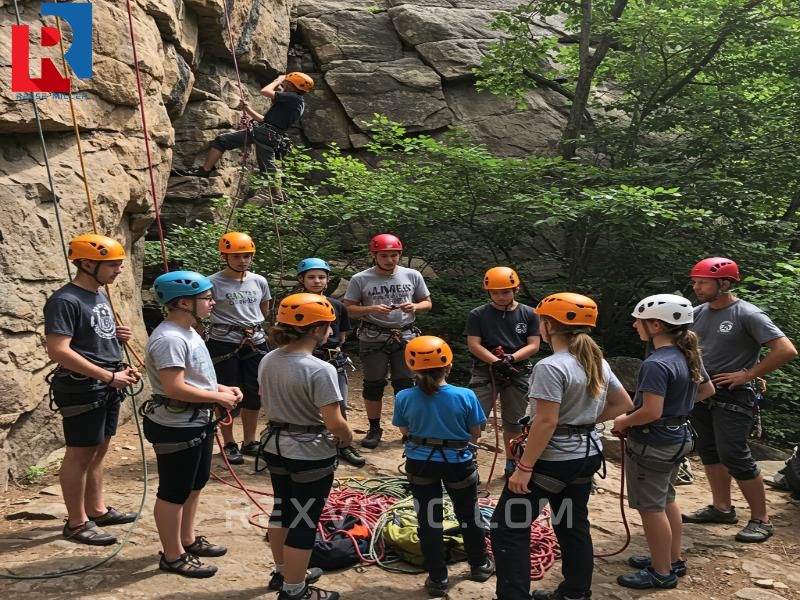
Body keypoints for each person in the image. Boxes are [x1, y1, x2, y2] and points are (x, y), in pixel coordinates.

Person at [491, 292, 633, 600]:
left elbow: (546, 422)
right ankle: (575, 592)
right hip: (587, 454)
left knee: (508, 527)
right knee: (571, 523)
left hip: (553, 460)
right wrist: (583, 420)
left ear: (549, 326)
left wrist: (524, 468)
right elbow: (623, 403)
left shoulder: (551, 366)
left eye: (542, 321)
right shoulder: (597, 362)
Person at [683, 257, 797, 543]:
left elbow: (785, 350)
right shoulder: (696, 313)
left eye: (703, 282)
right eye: (695, 282)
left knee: (734, 453)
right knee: (709, 451)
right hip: (702, 392)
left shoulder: (747, 314)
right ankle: (721, 508)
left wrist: (749, 374)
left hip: (733, 394)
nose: (697, 287)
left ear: (724, 284)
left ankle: (761, 519)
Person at [612, 294, 715, 589]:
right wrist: (678, 408)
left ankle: (661, 571)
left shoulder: (656, 364)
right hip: (678, 436)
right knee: (666, 500)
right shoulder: (687, 354)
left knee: (651, 508)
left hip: (654, 442)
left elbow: (651, 411)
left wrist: (623, 421)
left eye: (639, 321)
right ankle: (672, 558)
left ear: (656, 325)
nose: (635, 325)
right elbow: (707, 390)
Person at [143, 271, 242, 578]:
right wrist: (217, 397)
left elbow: (194, 378)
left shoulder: (190, 331)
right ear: (184, 303)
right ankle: (172, 555)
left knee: (195, 483)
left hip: (196, 419)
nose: (212, 302)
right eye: (206, 298)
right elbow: (173, 387)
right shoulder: (169, 339)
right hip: (175, 423)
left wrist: (221, 388)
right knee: (174, 491)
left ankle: (186, 539)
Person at [44, 233, 141, 546]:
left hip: (105, 382)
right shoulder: (65, 300)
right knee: (80, 454)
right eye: (112, 264)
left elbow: (90, 336)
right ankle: (76, 522)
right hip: (84, 386)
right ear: (87, 264)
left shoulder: (98, 295)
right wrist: (107, 376)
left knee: (99, 450)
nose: (118, 270)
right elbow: (58, 350)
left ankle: (96, 509)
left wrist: (116, 336)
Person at [258, 293, 354, 600]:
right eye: (328, 326)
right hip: (309, 452)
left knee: (282, 509)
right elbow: (334, 421)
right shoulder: (320, 369)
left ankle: (283, 572)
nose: (331, 331)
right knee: (303, 520)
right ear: (315, 330)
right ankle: (295, 589)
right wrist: (347, 437)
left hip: (275, 446)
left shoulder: (269, 358)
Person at [392, 335, 495, 597]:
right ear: (448, 366)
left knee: (429, 520)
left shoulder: (404, 396)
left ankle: (438, 578)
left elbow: (404, 430)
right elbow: (475, 433)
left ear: (412, 368)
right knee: (468, 515)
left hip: (420, 464)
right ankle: (479, 565)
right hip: (457, 463)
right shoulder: (465, 395)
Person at [343, 233, 432, 449]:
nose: (390, 260)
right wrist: (371, 309)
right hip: (373, 336)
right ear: (374, 256)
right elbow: (348, 308)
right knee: (373, 384)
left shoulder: (412, 275)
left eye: (394, 255)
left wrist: (415, 306)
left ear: (400, 254)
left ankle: (407, 429)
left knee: (405, 384)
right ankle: (374, 428)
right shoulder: (360, 279)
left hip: (406, 335)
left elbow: (427, 303)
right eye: (384, 256)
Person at [465, 267, 540, 479]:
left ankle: (512, 462)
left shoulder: (529, 314)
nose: (500, 296)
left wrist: (511, 359)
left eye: (505, 292)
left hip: (516, 371)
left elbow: (534, 345)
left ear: (516, 290)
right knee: (474, 419)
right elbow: (474, 344)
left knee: (514, 421)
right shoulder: (478, 315)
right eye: (495, 292)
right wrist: (497, 362)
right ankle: (468, 462)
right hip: (485, 371)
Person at [173, 71, 313, 183]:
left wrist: (277, 81)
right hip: (267, 133)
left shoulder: (293, 98)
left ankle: (277, 197)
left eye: (287, 83)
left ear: (293, 86)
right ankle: (205, 170)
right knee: (223, 141)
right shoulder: (297, 102)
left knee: (268, 171)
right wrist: (248, 109)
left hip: (266, 134)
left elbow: (264, 91)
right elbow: (266, 120)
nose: (284, 85)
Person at [205, 232, 271, 465]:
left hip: (255, 340)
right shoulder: (212, 282)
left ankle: (250, 441)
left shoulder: (259, 281)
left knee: (254, 392)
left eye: (246, 256)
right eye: (236, 256)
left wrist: (250, 326)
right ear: (224, 257)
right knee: (226, 394)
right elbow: (204, 309)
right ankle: (229, 442)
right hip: (223, 341)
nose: (242, 261)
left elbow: (264, 308)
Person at [296, 257, 365, 467]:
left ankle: (342, 444)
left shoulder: (337, 306)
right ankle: (311, 443)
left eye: (321, 277)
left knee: (339, 402)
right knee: (307, 403)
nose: (317, 281)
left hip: (332, 359)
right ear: (301, 280)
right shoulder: (294, 304)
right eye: (311, 277)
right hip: (304, 359)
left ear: (327, 280)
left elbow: (341, 336)